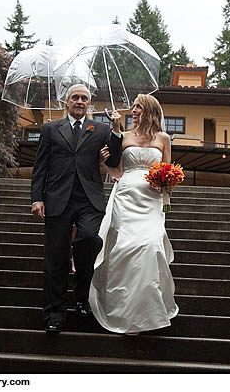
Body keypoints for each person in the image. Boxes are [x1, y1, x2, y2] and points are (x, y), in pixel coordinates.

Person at [31, 84, 122, 333]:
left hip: (89, 200)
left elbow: (114, 161)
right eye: (75, 98)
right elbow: (41, 167)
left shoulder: (101, 129)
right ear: (66, 103)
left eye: (84, 98)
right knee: (56, 257)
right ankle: (54, 313)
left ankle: (81, 296)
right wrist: (36, 198)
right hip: (57, 200)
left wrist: (115, 132)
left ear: (89, 104)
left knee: (90, 239)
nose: (80, 101)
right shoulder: (51, 129)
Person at [89, 94, 179, 335]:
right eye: (134, 107)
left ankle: (146, 309)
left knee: (151, 247)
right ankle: (122, 309)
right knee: (124, 248)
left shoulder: (163, 138)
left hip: (151, 201)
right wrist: (105, 160)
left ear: (149, 110)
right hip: (126, 196)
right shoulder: (123, 136)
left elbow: (168, 169)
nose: (134, 110)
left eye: (138, 107)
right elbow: (116, 169)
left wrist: (168, 182)